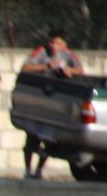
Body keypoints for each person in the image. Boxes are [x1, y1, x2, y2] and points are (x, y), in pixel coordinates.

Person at [20, 29, 83, 179]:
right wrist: (45, 67)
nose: (54, 46)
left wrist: (69, 71)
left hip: (56, 104)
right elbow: (25, 68)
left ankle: (39, 170)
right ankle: (27, 169)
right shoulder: (41, 52)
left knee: (49, 139)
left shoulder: (68, 54)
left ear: (64, 44)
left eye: (58, 43)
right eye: (52, 42)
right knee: (31, 136)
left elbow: (80, 71)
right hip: (39, 100)